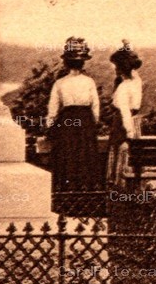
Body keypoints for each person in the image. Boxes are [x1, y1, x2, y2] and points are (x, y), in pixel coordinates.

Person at [46, 37, 102, 193]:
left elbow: (53, 109)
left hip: (67, 120)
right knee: (85, 154)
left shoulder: (60, 83)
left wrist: (49, 126)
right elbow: (95, 107)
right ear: (83, 63)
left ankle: (67, 190)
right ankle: (86, 191)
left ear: (66, 63)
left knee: (68, 153)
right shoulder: (89, 82)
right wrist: (93, 123)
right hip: (85, 121)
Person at [106, 41, 143, 185]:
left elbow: (125, 112)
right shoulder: (137, 83)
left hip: (122, 125)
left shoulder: (123, 88)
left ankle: (118, 187)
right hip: (135, 123)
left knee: (119, 157)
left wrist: (129, 134)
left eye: (116, 66)